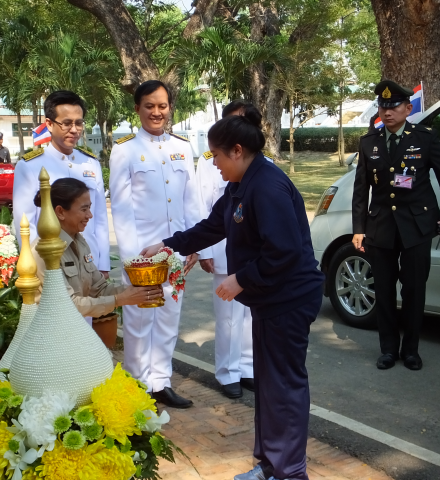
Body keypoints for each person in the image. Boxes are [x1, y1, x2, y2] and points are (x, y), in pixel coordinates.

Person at [141, 106, 325, 480]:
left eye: (217, 156)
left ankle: (289, 472)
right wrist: (169, 243)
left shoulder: (268, 185)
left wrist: (240, 279)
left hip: (288, 299)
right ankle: (271, 463)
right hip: (270, 299)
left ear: (237, 150)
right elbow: (213, 226)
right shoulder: (241, 183)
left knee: (284, 386)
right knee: (270, 386)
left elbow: (284, 251)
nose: (214, 164)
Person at [352, 80, 440, 371]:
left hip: (416, 226)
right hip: (381, 227)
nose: (387, 112)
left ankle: (411, 350)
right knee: (385, 290)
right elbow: (360, 190)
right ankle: (388, 349)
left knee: (414, 290)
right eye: (383, 107)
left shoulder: (425, 138)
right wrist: (358, 228)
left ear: (407, 108)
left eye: (394, 107)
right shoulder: (369, 143)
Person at [109, 80, 201, 409]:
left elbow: (191, 200)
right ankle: (136, 385)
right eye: (149, 105)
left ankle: (161, 381)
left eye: (162, 106)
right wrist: (133, 260)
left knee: (168, 317)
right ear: (137, 109)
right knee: (137, 320)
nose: (156, 112)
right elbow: (121, 208)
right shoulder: (124, 151)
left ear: (169, 108)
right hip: (143, 252)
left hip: (175, 251)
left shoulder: (182, 148)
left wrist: (196, 245)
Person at [196, 101, 274, 399]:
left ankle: (247, 367)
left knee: (250, 315)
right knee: (228, 316)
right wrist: (201, 251)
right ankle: (228, 371)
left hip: (255, 260)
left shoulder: (264, 171)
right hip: (223, 250)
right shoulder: (212, 163)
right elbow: (207, 212)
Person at [31, 178, 163, 318]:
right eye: (84, 209)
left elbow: (99, 289)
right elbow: (66, 306)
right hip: (50, 333)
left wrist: (136, 291)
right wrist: (122, 299)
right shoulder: (44, 251)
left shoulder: (79, 242)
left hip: (74, 327)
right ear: (60, 212)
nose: (90, 215)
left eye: (89, 208)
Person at [13, 91, 110, 279]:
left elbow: (99, 219)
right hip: (52, 265)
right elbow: (25, 224)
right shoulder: (30, 166)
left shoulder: (91, 163)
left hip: (90, 262)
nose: (74, 130)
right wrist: (39, 265)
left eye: (79, 123)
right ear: (49, 124)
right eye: (66, 123)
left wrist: (103, 264)